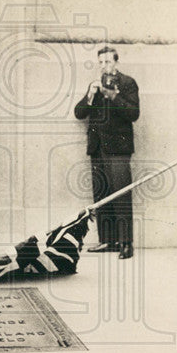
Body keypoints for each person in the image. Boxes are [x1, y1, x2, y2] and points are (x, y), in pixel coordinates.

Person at [74, 45, 140, 260]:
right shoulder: (95, 85)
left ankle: (126, 244)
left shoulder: (128, 83)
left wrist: (112, 96)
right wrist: (91, 96)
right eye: (101, 62)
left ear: (116, 63)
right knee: (101, 194)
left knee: (121, 194)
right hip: (97, 148)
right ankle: (107, 241)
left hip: (118, 149)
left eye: (108, 62)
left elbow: (133, 113)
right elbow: (79, 112)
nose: (104, 66)